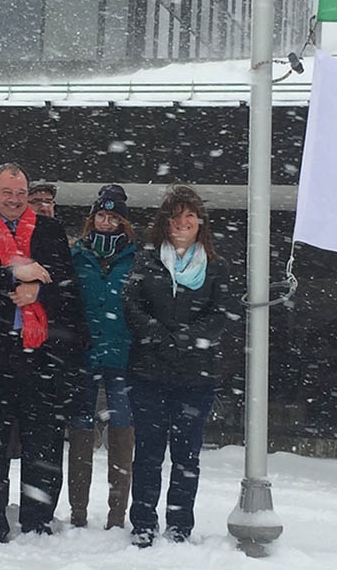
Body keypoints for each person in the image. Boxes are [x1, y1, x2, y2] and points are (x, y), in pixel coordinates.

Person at [0, 163, 88, 542]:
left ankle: (37, 521)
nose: (14, 199)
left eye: (21, 193)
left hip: (42, 356)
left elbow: (69, 288)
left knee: (44, 444)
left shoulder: (50, 231)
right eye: (7, 192)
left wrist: (39, 291)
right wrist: (12, 274)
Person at [124, 184, 235, 547]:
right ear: (165, 221)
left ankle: (179, 526)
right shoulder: (147, 259)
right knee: (148, 454)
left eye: (190, 215)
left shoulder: (216, 266)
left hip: (195, 376)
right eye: (176, 216)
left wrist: (185, 339)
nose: (183, 222)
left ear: (200, 221)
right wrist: (159, 336)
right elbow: (132, 306)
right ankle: (143, 523)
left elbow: (219, 315)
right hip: (148, 373)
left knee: (186, 457)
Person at [67, 184, 138, 529]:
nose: (106, 222)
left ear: (123, 222)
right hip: (84, 356)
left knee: (122, 433)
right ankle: (78, 512)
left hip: (122, 358)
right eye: (101, 216)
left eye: (113, 217)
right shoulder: (76, 255)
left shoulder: (136, 258)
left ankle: (116, 515)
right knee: (80, 431)